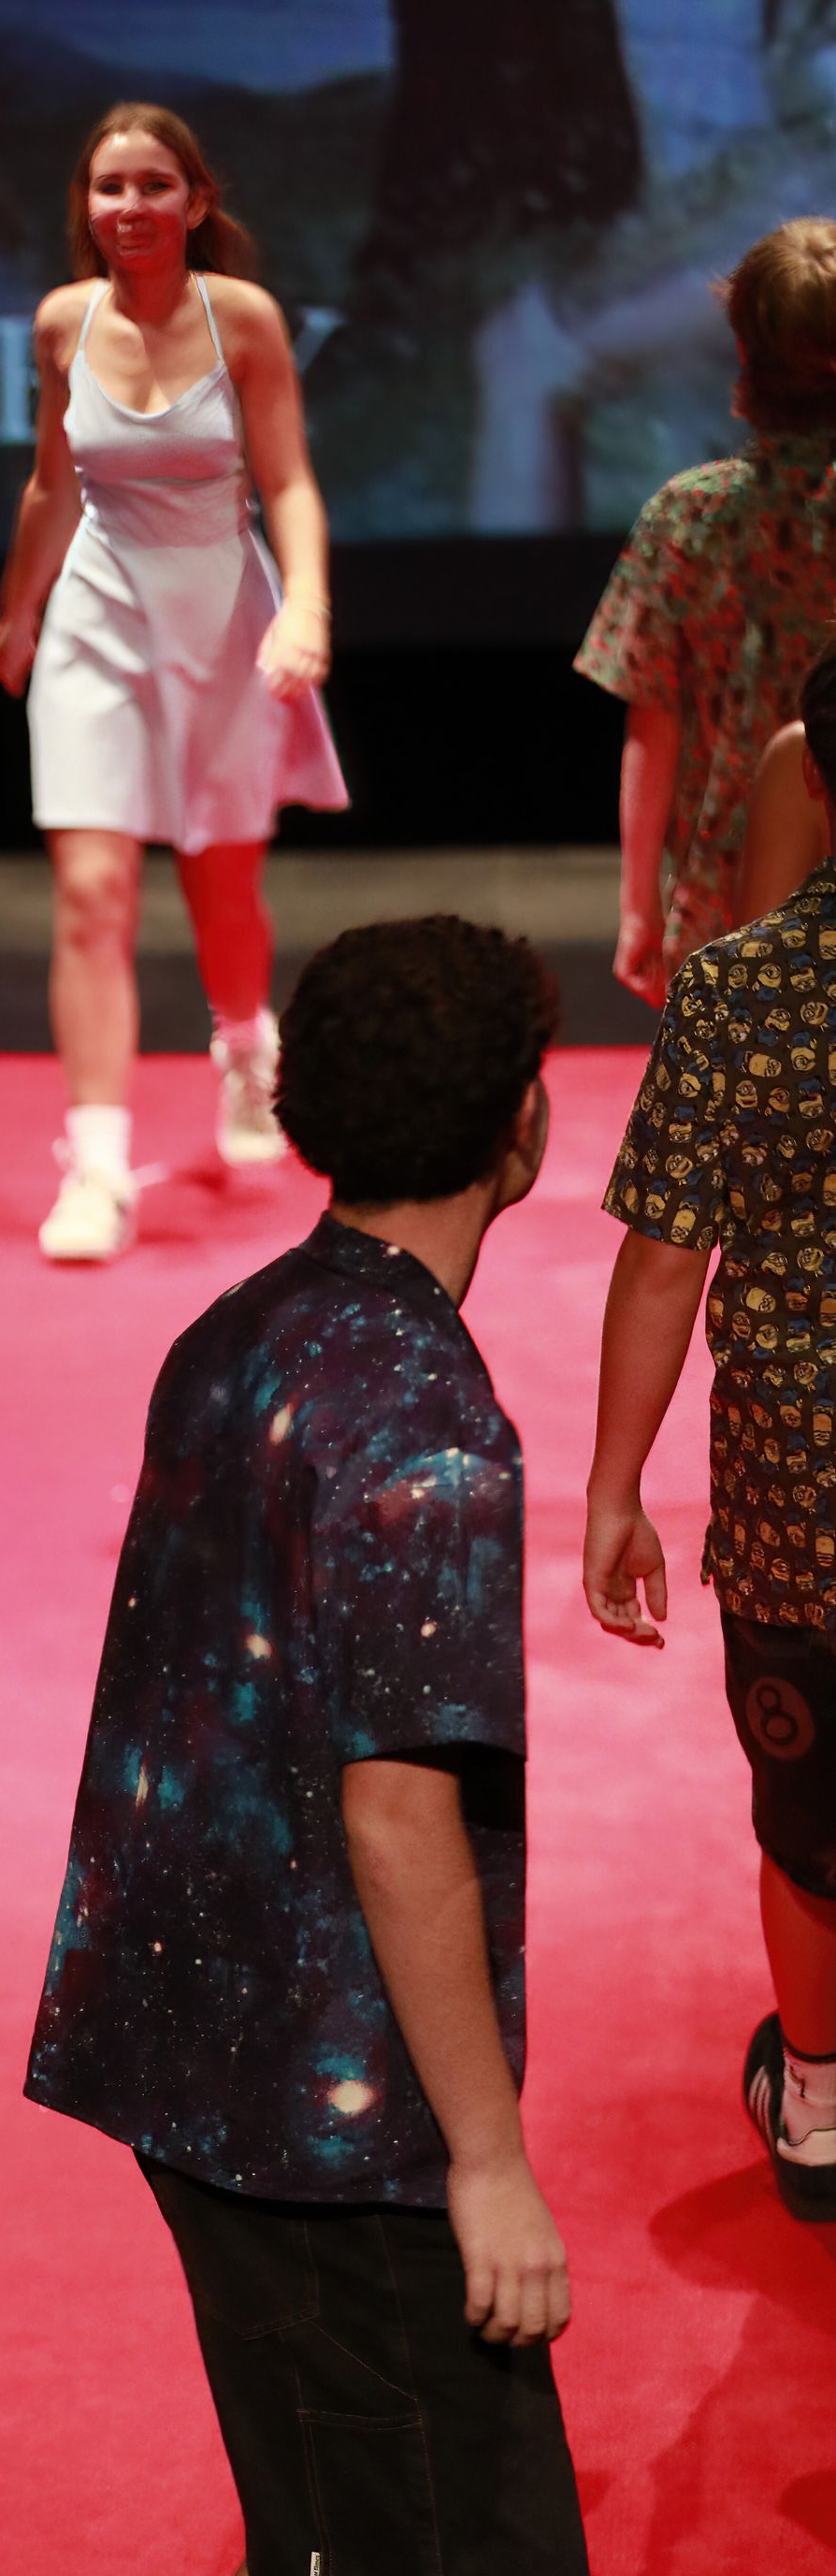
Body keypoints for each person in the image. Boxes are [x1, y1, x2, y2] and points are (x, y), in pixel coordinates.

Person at [0, 919, 609, 2576]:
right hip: (333, 2104)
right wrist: (488, 2155)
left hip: (182, 2047)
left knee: (355, 2508)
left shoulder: (234, 1328)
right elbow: (398, 1810)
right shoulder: (426, 1419)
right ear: (521, 1121)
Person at [0, 102, 346, 1266]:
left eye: (152, 185)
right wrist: (19, 610)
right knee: (92, 893)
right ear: (85, 208)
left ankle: (244, 1044)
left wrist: (306, 607)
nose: (129, 206)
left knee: (219, 886)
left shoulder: (242, 318)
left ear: (195, 201)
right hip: (96, 620)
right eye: (109, 187)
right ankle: (97, 1168)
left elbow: (288, 481)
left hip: (223, 619)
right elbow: (52, 485)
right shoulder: (62, 322)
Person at [584, 637, 836, 2220]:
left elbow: (666, 1256)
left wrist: (614, 1486)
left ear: (815, 785)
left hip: (798, 1506)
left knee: (811, 1826)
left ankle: (816, 2098)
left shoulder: (738, 990)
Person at [578, 218, 836, 1011]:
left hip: (727, 904)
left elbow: (653, 729)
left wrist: (637, 905)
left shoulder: (688, 515)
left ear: (746, 353)